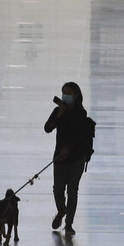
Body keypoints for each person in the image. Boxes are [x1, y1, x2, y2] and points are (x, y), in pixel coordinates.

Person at [44, 81, 94, 235]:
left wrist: (70, 149)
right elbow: (47, 128)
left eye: (68, 93)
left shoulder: (81, 114)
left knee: (72, 191)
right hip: (59, 157)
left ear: (76, 95)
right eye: (63, 93)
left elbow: (79, 136)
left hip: (76, 158)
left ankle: (69, 224)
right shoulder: (58, 111)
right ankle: (61, 210)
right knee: (57, 189)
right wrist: (59, 113)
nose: (65, 96)